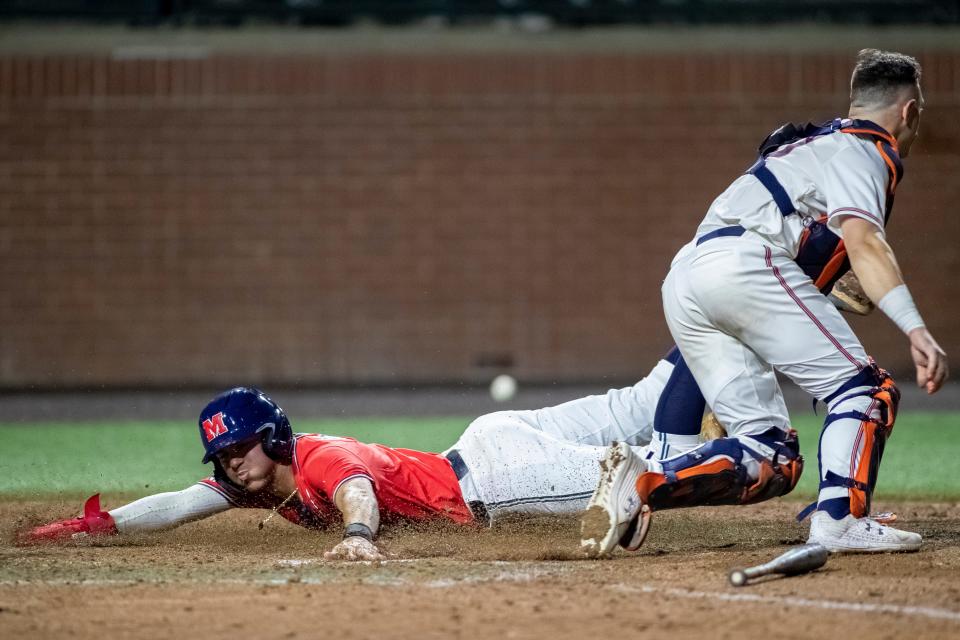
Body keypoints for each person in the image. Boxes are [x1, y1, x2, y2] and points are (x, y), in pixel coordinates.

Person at [581, 49, 948, 557]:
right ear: (908, 112)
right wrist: (915, 328)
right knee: (866, 390)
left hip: (689, 272)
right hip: (746, 264)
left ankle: (643, 479)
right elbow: (864, 241)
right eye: (919, 111)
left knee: (771, 459)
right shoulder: (866, 150)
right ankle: (840, 520)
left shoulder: (810, 143)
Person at [22, 351, 715, 561]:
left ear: (271, 438)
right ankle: (713, 315)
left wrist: (358, 534)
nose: (230, 465)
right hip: (483, 448)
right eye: (222, 457)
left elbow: (358, 491)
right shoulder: (263, 484)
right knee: (639, 403)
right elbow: (179, 505)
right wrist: (99, 524)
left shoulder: (317, 457)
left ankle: (730, 305)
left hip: (495, 481)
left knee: (661, 466)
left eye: (237, 448)